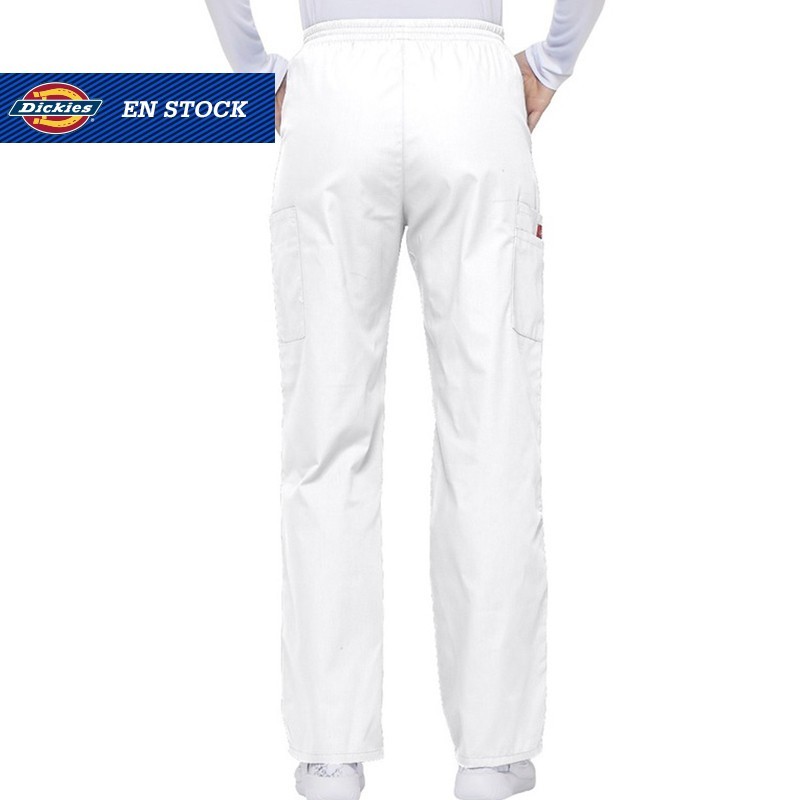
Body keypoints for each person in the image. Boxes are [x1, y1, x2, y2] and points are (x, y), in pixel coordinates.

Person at [205, 2, 604, 798]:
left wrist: (251, 73)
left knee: (327, 436)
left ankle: (330, 754)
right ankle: (490, 755)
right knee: (490, 431)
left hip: (331, 93)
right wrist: (553, 62)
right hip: (472, 90)